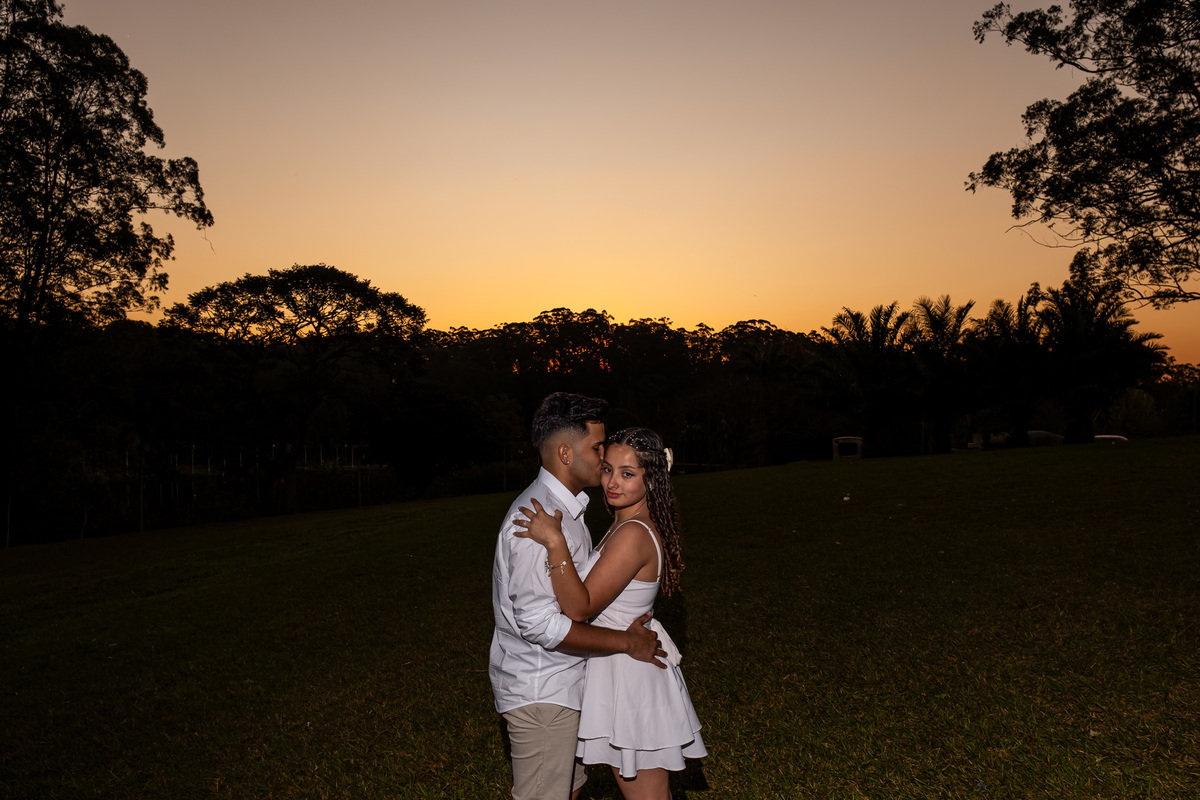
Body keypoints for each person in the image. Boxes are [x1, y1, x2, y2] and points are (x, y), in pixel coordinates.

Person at [490, 394, 667, 800]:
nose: (604, 456)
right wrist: (626, 641)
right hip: (542, 691)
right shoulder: (534, 521)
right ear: (566, 453)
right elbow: (540, 624)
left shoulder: (568, 512)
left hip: (567, 686)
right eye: (598, 447)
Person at [515, 427, 706, 800]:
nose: (612, 483)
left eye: (627, 474)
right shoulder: (622, 524)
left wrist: (555, 543)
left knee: (645, 794)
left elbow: (580, 607)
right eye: (607, 470)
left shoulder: (633, 533)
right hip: (619, 664)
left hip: (632, 676)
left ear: (651, 480)